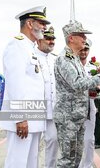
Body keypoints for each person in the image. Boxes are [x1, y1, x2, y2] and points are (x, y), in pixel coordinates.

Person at [53, 21, 100, 167]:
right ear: (71, 38)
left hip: (77, 116)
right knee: (67, 160)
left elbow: (82, 83)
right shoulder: (64, 59)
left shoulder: (74, 59)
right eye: (81, 35)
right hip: (68, 117)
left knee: (75, 158)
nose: (84, 38)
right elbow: (76, 84)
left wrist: (94, 87)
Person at [0, 6, 50, 168]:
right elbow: (16, 82)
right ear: (29, 23)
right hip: (22, 119)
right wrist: (20, 117)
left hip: (33, 118)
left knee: (31, 163)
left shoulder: (30, 48)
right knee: (17, 163)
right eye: (41, 23)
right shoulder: (17, 45)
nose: (44, 27)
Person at [78, 39, 100, 168]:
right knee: (74, 140)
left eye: (86, 50)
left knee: (89, 140)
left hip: (89, 106)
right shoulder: (71, 65)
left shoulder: (94, 67)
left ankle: (87, 165)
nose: (83, 52)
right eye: (81, 49)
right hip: (73, 107)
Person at [36, 26, 58, 168]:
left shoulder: (56, 60)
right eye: (47, 38)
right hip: (36, 109)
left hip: (53, 108)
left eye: (52, 39)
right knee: (33, 145)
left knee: (53, 141)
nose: (51, 41)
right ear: (38, 40)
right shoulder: (31, 55)